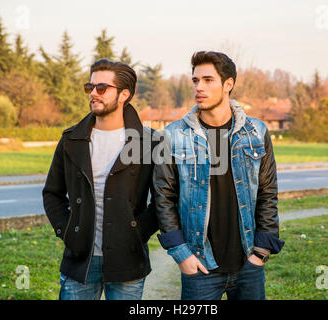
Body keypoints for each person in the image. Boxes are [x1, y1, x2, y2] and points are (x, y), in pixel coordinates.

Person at [153, 51, 284, 300]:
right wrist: (182, 254)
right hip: (199, 265)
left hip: (248, 262)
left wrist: (261, 251)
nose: (199, 87)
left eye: (208, 80)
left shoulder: (257, 132)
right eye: (195, 80)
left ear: (228, 84)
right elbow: (163, 198)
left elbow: (268, 191)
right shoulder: (172, 135)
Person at [43, 59, 159, 300]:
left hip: (128, 261)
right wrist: (67, 232)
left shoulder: (150, 143)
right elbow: (52, 193)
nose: (93, 93)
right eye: (90, 87)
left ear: (124, 94)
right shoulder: (71, 140)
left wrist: (137, 233)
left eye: (102, 88)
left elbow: (164, 200)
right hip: (79, 263)